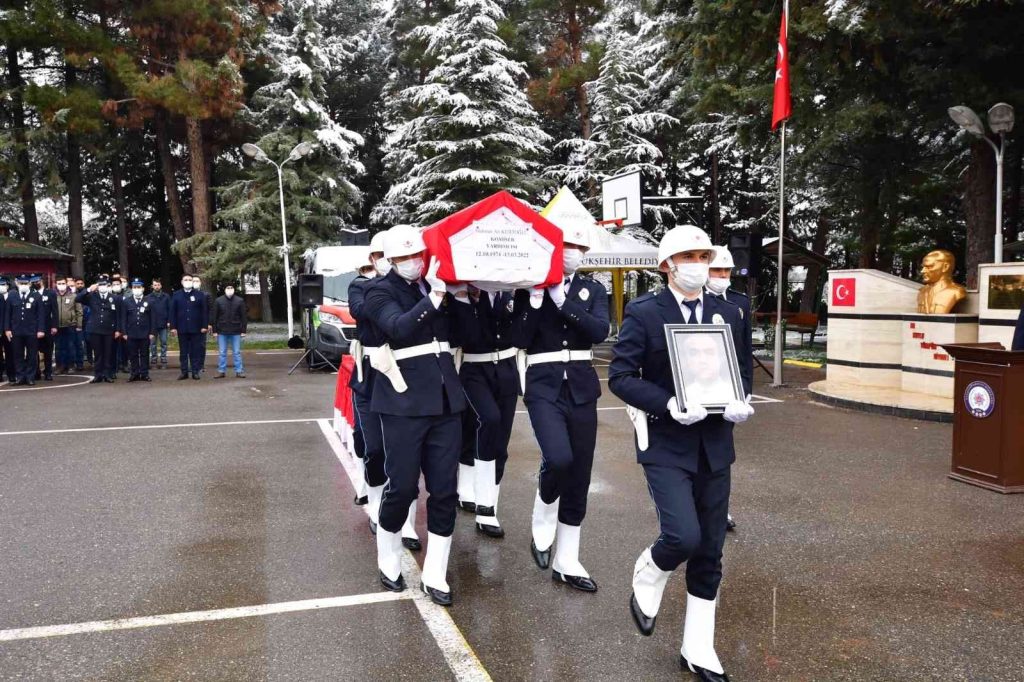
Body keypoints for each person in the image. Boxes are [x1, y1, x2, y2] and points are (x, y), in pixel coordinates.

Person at [608, 224, 754, 682]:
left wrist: (739, 400)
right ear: (667, 264)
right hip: (666, 442)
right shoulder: (645, 311)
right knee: (682, 537)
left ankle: (698, 647)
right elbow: (621, 375)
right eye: (689, 257)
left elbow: (742, 369)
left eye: (703, 257)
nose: (698, 265)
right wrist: (667, 403)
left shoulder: (729, 313)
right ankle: (650, 569)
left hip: (714, 444)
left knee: (710, 550)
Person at [363, 225, 467, 605]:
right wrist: (437, 295)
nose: (414, 263)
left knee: (444, 490)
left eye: (418, 255)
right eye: (405, 257)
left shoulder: (433, 287)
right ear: (390, 260)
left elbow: (464, 334)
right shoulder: (378, 290)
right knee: (403, 486)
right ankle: (388, 555)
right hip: (403, 403)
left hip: (445, 401)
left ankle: (436, 570)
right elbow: (399, 328)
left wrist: (462, 295)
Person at [508, 223, 608, 593]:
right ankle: (543, 507)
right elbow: (518, 338)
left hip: (581, 385)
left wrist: (563, 303)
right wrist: (536, 300)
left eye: (579, 246)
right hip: (543, 385)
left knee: (580, 472)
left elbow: (599, 330)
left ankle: (568, 558)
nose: (572, 252)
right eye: (567, 245)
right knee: (559, 458)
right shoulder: (527, 290)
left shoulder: (593, 289)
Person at [348, 231, 419, 549]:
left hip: (400, 376)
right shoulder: (361, 287)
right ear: (374, 260)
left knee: (403, 452)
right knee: (373, 446)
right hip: (370, 377)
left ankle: (405, 520)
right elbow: (361, 311)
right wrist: (383, 290)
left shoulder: (410, 291)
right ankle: (375, 500)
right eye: (380, 257)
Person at [454, 284, 519, 538]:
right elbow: (464, 334)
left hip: (506, 369)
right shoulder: (465, 293)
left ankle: (489, 497)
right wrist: (470, 298)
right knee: (487, 420)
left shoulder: (510, 293)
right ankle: (485, 507)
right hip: (473, 369)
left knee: (500, 438)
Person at [705, 245, 752, 533]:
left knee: (721, 451)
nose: (722, 276)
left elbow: (744, 350)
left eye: (726, 271)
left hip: (729, 388)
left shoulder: (740, 303)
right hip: (700, 386)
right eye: (716, 270)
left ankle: (719, 509)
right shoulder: (696, 301)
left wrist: (745, 388)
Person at [76, 276, 121, 383]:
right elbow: (77, 299)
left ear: (108, 286)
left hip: (109, 329)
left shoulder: (114, 298)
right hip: (95, 329)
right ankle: (98, 374)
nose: (102, 287)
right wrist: (88, 289)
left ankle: (107, 374)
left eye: (104, 285)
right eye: (100, 285)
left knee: (108, 353)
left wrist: (118, 330)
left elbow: (118, 315)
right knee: (98, 353)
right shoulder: (92, 296)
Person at [4, 274, 45, 385]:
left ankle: (30, 377)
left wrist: (41, 329)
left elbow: (41, 314)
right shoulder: (12, 296)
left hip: (32, 331)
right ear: (17, 283)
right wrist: (7, 329)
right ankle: (20, 377)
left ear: (30, 284)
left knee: (32, 355)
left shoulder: (36, 296)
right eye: (21, 283)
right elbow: (7, 314)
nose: (23, 285)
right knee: (17, 355)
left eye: (25, 283)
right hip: (16, 331)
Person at [170, 274, 209, 380]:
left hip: (196, 328)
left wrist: (204, 325)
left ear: (192, 282)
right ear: (182, 282)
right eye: (185, 280)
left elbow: (204, 312)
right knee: (183, 352)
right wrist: (173, 327)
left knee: (195, 351)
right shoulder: (176, 294)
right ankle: (184, 372)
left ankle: (195, 371)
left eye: (190, 280)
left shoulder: (200, 295)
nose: (188, 281)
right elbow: (172, 312)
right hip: (182, 328)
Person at [120, 278, 156, 382]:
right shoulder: (126, 301)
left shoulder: (149, 301)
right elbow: (123, 318)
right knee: (133, 354)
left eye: (138, 287)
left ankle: (144, 374)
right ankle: (134, 373)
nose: (137, 289)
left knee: (144, 354)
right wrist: (124, 332)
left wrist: (152, 332)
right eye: (134, 287)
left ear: (143, 288)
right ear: (131, 289)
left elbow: (153, 318)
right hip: (131, 333)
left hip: (145, 333)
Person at [211, 281, 248, 379]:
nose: (230, 289)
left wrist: (244, 330)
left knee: (236, 352)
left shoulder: (240, 301)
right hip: (221, 331)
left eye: (231, 288)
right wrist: (214, 331)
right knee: (222, 352)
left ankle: (239, 371)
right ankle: (221, 371)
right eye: (228, 288)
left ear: (234, 289)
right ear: (224, 289)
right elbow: (214, 317)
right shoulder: (218, 301)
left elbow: (243, 317)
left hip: (236, 331)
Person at [53, 277, 83, 375]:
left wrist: (79, 325)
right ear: (56, 284)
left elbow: (79, 311)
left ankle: (71, 366)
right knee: (58, 347)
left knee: (70, 346)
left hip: (70, 325)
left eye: (62, 283)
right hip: (57, 326)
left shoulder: (74, 296)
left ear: (66, 284)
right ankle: (59, 366)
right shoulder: (53, 296)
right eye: (59, 283)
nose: (61, 285)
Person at [33, 274, 58, 381]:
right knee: (34, 351)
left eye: (37, 281)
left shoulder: (50, 293)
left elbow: (55, 311)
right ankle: (36, 372)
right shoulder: (31, 294)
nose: (35, 284)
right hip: (34, 327)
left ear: (41, 281)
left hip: (48, 326)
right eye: (33, 282)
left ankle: (48, 372)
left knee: (48, 351)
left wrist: (54, 326)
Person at [148, 278, 171, 369]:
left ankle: (163, 359)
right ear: (152, 286)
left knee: (164, 342)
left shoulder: (166, 296)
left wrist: (169, 321)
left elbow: (170, 310)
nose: (157, 286)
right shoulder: (148, 297)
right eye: (155, 285)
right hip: (152, 324)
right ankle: (154, 360)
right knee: (153, 343)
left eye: (158, 285)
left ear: (160, 286)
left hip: (163, 323)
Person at [193, 276, 213, 374]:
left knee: (201, 345)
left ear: (200, 283)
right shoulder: (186, 294)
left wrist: (209, 323)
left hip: (202, 325)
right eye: (194, 281)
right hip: (190, 324)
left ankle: (200, 365)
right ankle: (192, 365)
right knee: (191, 346)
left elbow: (210, 310)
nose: (195, 282)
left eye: (197, 281)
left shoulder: (206, 295)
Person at [111, 276, 129, 373]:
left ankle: (125, 364)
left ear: (121, 285)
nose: (116, 286)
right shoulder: (109, 297)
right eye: (114, 285)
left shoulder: (126, 296)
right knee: (114, 347)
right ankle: (116, 365)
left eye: (118, 284)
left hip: (124, 325)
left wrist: (123, 329)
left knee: (125, 347)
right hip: (113, 326)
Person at [73, 278, 88, 370]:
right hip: (75, 323)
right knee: (75, 344)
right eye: (77, 283)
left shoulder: (87, 294)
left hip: (86, 321)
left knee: (82, 344)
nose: (80, 285)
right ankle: (75, 362)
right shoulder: (73, 295)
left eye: (81, 283)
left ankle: (81, 362)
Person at [0, 276, 12, 383]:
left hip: (9, 330)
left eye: (3, 284)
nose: (2, 287)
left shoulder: (13, 296)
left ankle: (11, 374)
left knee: (10, 353)